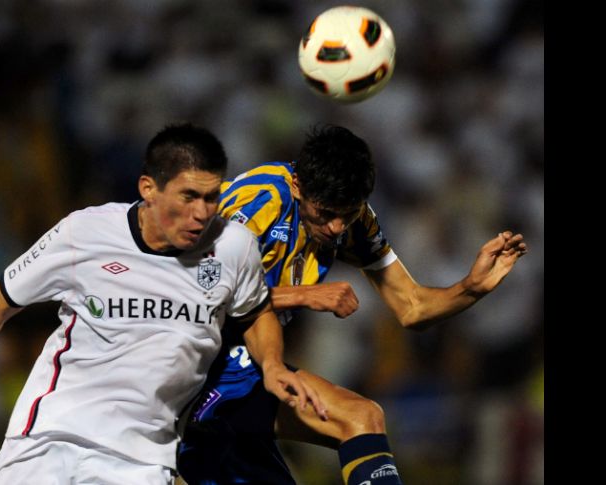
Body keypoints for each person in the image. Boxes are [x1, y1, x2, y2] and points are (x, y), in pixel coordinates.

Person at [0, 123, 327, 484]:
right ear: (148, 188)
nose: (202, 212)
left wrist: (271, 365)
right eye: (188, 196)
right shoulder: (86, 232)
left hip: (141, 460)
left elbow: (255, 313)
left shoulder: (233, 247)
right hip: (48, 439)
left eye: (212, 197)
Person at [177, 124, 528, 485]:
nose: (335, 228)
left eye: (346, 213)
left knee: (361, 419)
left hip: (244, 366)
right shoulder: (260, 200)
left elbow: (412, 307)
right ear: (298, 186)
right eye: (326, 213)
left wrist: (471, 288)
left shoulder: (352, 218)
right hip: (184, 360)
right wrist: (304, 294)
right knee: (360, 416)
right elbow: (192, 293)